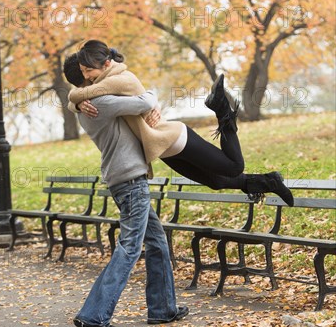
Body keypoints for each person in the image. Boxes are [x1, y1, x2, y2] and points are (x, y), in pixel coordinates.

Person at [64, 41, 293, 206]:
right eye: (85, 72)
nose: (89, 76)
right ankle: (268, 182)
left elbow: (85, 93)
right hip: (163, 146)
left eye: (89, 70)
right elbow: (86, 93)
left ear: (106, 63)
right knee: (215, 181)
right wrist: (76, 102)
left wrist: (75, 99)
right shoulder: (104, 82)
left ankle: (223, 110)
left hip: (172, 136)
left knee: (234, 167)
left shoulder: (118, 78)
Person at [64, 58, 189, 327]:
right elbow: (144, 102)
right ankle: (94, 315)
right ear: (86, 81)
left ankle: (163, 308)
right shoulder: (102, 103)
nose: (97, 76)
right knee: (130, 247)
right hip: (130, 181)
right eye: (89, 72)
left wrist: (74, 100)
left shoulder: (86, 104)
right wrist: (153, 96)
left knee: (156, 241)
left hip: (125, 180)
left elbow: (78, 98)